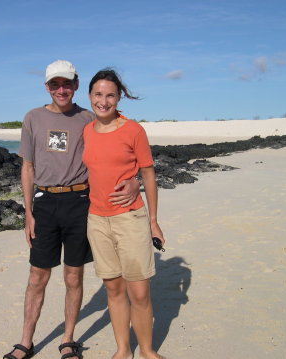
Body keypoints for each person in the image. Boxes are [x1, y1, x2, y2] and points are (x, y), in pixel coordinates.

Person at [4, 60, 140, 359]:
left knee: (73, 277)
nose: (61, 89)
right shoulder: (33, 118)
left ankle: (68, 340)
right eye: (55, 84)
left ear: (76, 85)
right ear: (47, 87)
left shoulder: (90, 117)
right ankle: (25, 342)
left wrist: (135, 180)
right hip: (45, 204)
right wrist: (28, 214)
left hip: (80, 203)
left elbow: (123, 147)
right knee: (37, 277)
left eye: (66, 84)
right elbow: (27, 168)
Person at [82, 68, 167, 359]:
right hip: (96, 219)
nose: (103, 101)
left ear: (119, 98)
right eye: (98, 94)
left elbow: (149, 173)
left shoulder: (133, 130)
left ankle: (147, 350)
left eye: (110, 95)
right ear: (90, 96)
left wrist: (153, 222)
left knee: (139, 292)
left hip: (130, 218)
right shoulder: (86, 130)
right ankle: (123, 349)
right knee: (114, 289)